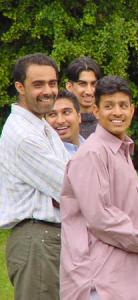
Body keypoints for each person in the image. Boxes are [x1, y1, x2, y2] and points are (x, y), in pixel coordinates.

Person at [60, 75, 138, 300]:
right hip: (100, 282)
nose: (117, 112)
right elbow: (101, 217)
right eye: (109, 106)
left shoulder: (122, 150)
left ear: (132, 110)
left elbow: (125, 214)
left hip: (124, 278)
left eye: (123, 105)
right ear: (95, 111)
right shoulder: (91, 155)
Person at [0, 53, 70, 300]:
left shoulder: (39, 126)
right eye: (38, 84)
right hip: (37, 241)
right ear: (20, 87)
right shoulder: (24, 135)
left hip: (48, 239)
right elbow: (71, 186)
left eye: (52, 83)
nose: (48, 91)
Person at [65, 56, 102, 138]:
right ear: (69, 87)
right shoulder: (62, 124)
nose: (89, 91)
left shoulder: (108, 123)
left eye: (93, 84)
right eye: (82, 84)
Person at [46, 90, 84, 154]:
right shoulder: (44, 154)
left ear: (79, 117)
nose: (60, 121)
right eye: (52, 114)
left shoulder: (95, 147)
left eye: (66, 112)